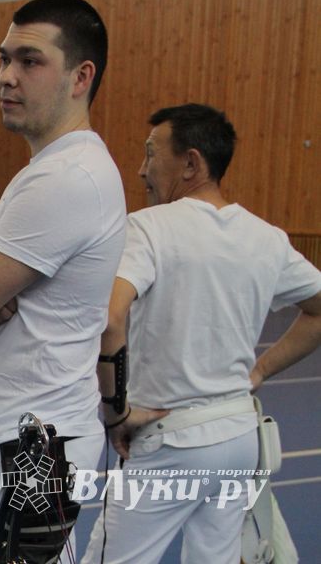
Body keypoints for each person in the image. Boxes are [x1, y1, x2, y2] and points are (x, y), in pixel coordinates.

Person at [81, 103, 321, 564]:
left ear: (191, 162)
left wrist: (116, 414)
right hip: (237, 437)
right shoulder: (266, 237)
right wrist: (259, 371)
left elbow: (110, 320)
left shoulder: (148, 229)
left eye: (151, 154)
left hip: (171, 441)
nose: (141, 169)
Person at [0, 0, 126, 563]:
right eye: (4, 59)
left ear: (80, 76)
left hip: (26, 451)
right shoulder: (42, 174)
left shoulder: (64, 181)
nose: (6, 78)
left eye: (30, 61)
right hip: (19, 440)